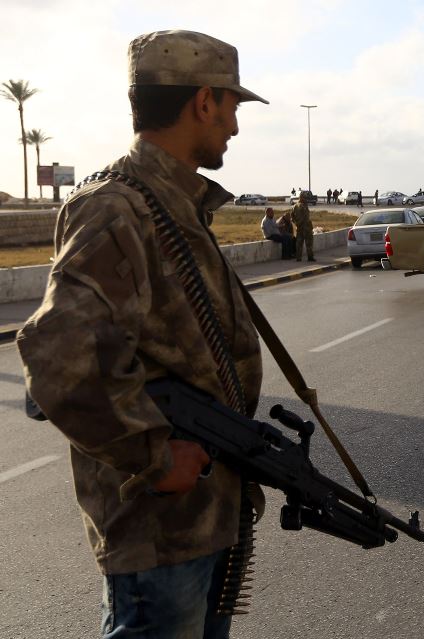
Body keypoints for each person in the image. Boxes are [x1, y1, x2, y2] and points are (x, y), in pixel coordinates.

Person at [17, 30, 267, 638]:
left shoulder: (176, 205)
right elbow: (58, 357)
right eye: (231, 106)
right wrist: (153, 456)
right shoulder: (118, 207)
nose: (234, 126)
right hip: (160, 532)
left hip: (199, 521)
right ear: (203, 102)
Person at [291, 191, 315, 261]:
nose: (306, 199)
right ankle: (310, 257)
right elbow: (306, 217)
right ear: (301, 198)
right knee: (308, 243)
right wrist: (299, 222)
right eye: (304, 197)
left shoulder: (295, 206)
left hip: (300, 227)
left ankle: (298, 258)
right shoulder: (302, 206)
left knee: (299, 243)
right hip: (305, 227)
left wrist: (296, 223)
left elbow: (292, 216)